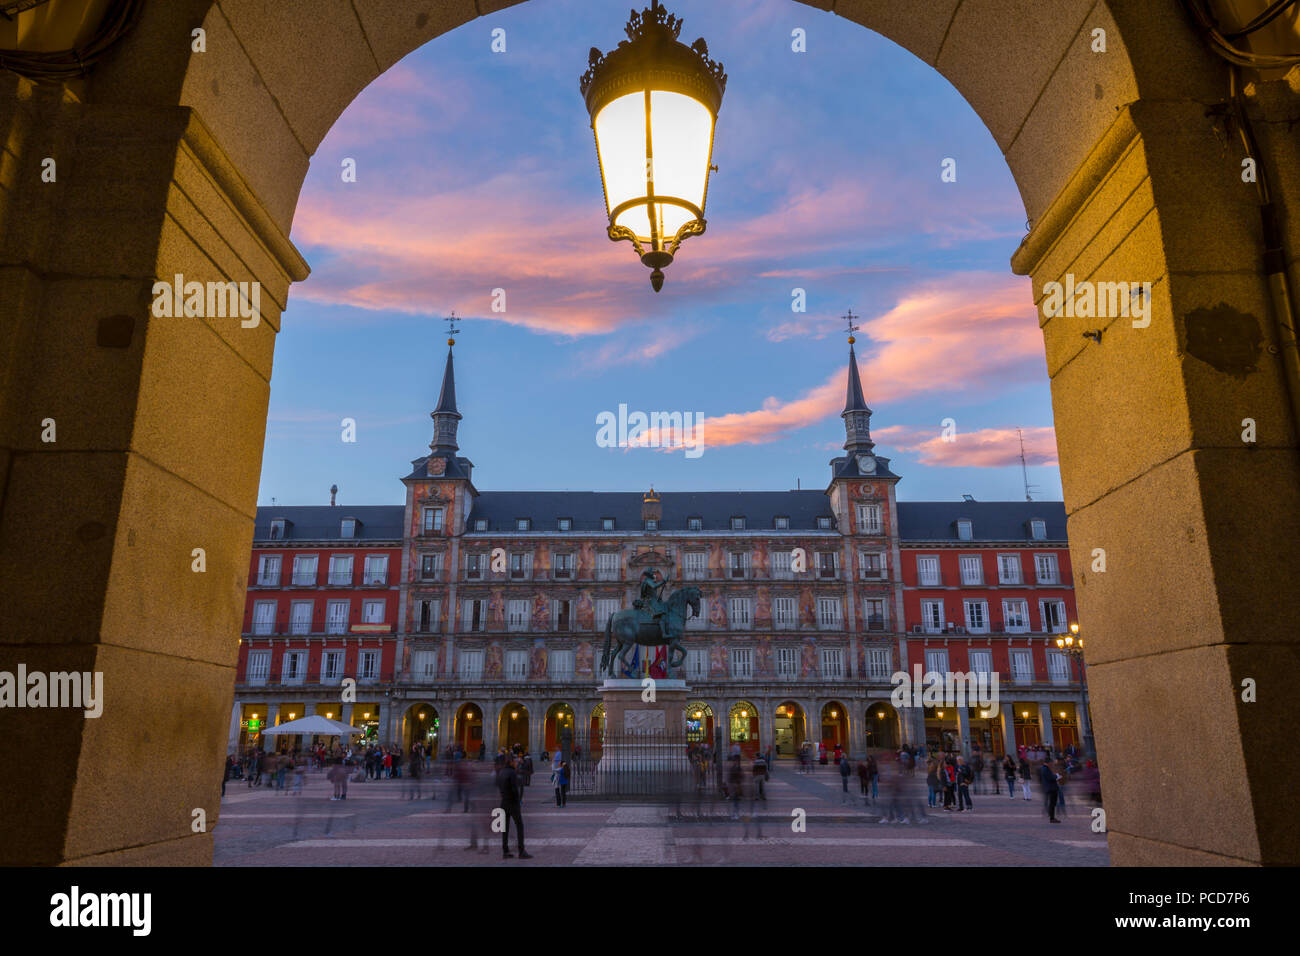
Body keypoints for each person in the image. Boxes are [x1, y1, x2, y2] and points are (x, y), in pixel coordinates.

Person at [496, 755, 531, 858]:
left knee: (504, 828)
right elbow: (515, 789)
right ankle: (521, 851)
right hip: (512, 803)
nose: (516, 763)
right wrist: (518, 801)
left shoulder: (501, 772)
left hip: (503, 802)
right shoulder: (512, 773)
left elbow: (499, 786)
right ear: (511, 762)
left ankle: (505, 851)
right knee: (519, 826)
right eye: (515, 762)